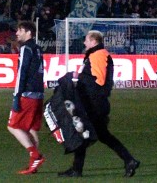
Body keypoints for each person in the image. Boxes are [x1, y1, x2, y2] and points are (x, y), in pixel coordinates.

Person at [58, 30, 139, 178]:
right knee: (92, 134)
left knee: (87, 133)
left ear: (94, 41)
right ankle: (128, 160)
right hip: (94, 102)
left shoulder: (98, 55)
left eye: (87, 40)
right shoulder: (96, 55)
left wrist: (80, 78)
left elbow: (99, 80)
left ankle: (128, 160)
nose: (84, 42)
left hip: (94, 104)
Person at [8, 21, 45, 175]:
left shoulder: (26, 48)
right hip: (38, 93)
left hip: (27, 94)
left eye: (20, 30)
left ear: (28, 32)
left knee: (13, 126)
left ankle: (35, 155)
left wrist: (16, 96)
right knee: (30, 128)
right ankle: (33, 165)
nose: (17, 33)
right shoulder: (37, 48)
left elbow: (21, 73)